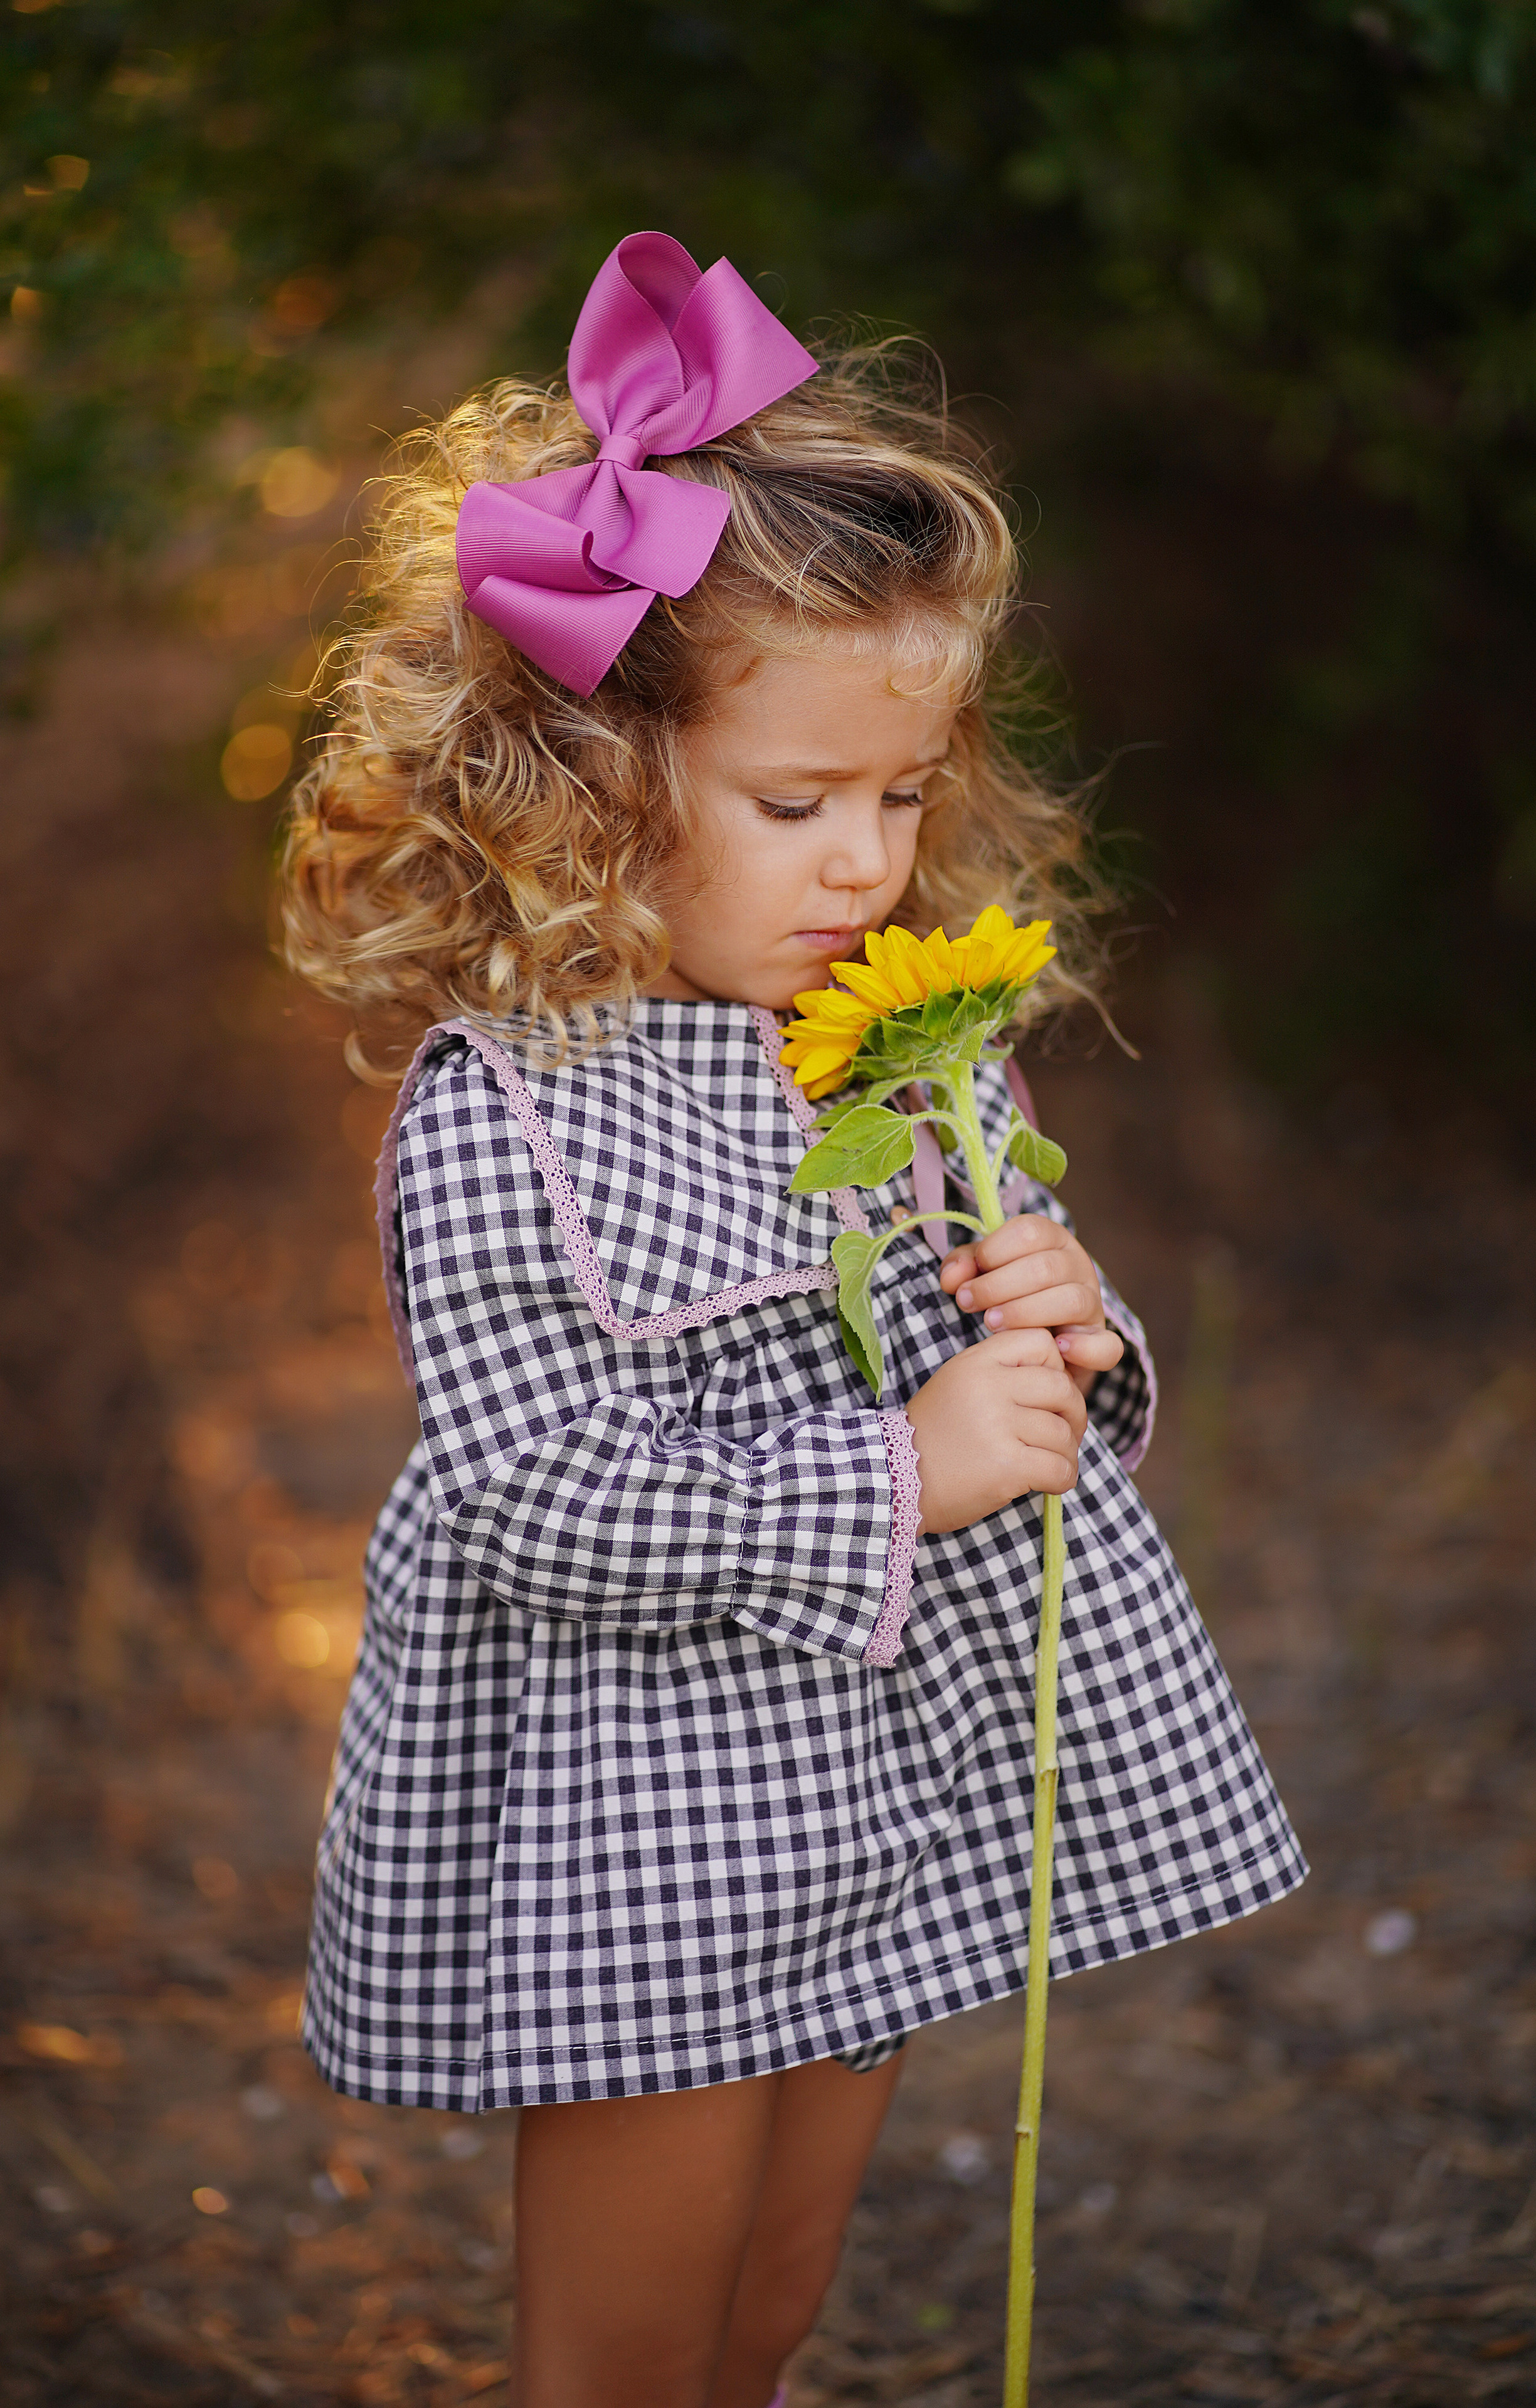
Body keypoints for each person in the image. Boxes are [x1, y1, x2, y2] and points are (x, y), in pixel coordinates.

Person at [280, 231, 1305, 2408]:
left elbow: (993, 1353)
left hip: (877, 1777)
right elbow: (542, 1493)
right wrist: (907, 1465)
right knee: (628, 2345)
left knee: (773, 2291)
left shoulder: (899, 1046)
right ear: (586, 784)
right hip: (643, 1813)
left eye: (904, 795)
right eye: (795, 804)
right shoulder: (509, 1111)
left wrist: (1070, 1334)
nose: (867, 863)